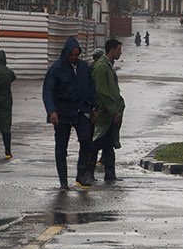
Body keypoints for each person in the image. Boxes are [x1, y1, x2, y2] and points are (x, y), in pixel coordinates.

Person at [42, 35, 97, 189]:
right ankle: (63, 181)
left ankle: (81, 175)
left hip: (81, 110)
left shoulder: (83, 67)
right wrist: (51, 112)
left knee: (86, 140)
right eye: (71, 55)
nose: (74, 57)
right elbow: (48, 92)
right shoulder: (56, 69)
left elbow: (91, 88)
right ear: (66, 53)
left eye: (76, 55)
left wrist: (94, 107)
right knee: (61, 147)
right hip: (62, 113)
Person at [90, 38, 125, 184]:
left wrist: (119, 105)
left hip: (110, 114)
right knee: (96, 144)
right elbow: (102, 92)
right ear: (112, 50)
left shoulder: (109, 67)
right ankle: (88, 173)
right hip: (103, 114)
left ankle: (110, 174)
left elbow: (113, 91)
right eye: (119, 49)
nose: (120, 52)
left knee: (109, 145)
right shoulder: (101, 67)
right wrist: (113, 110)